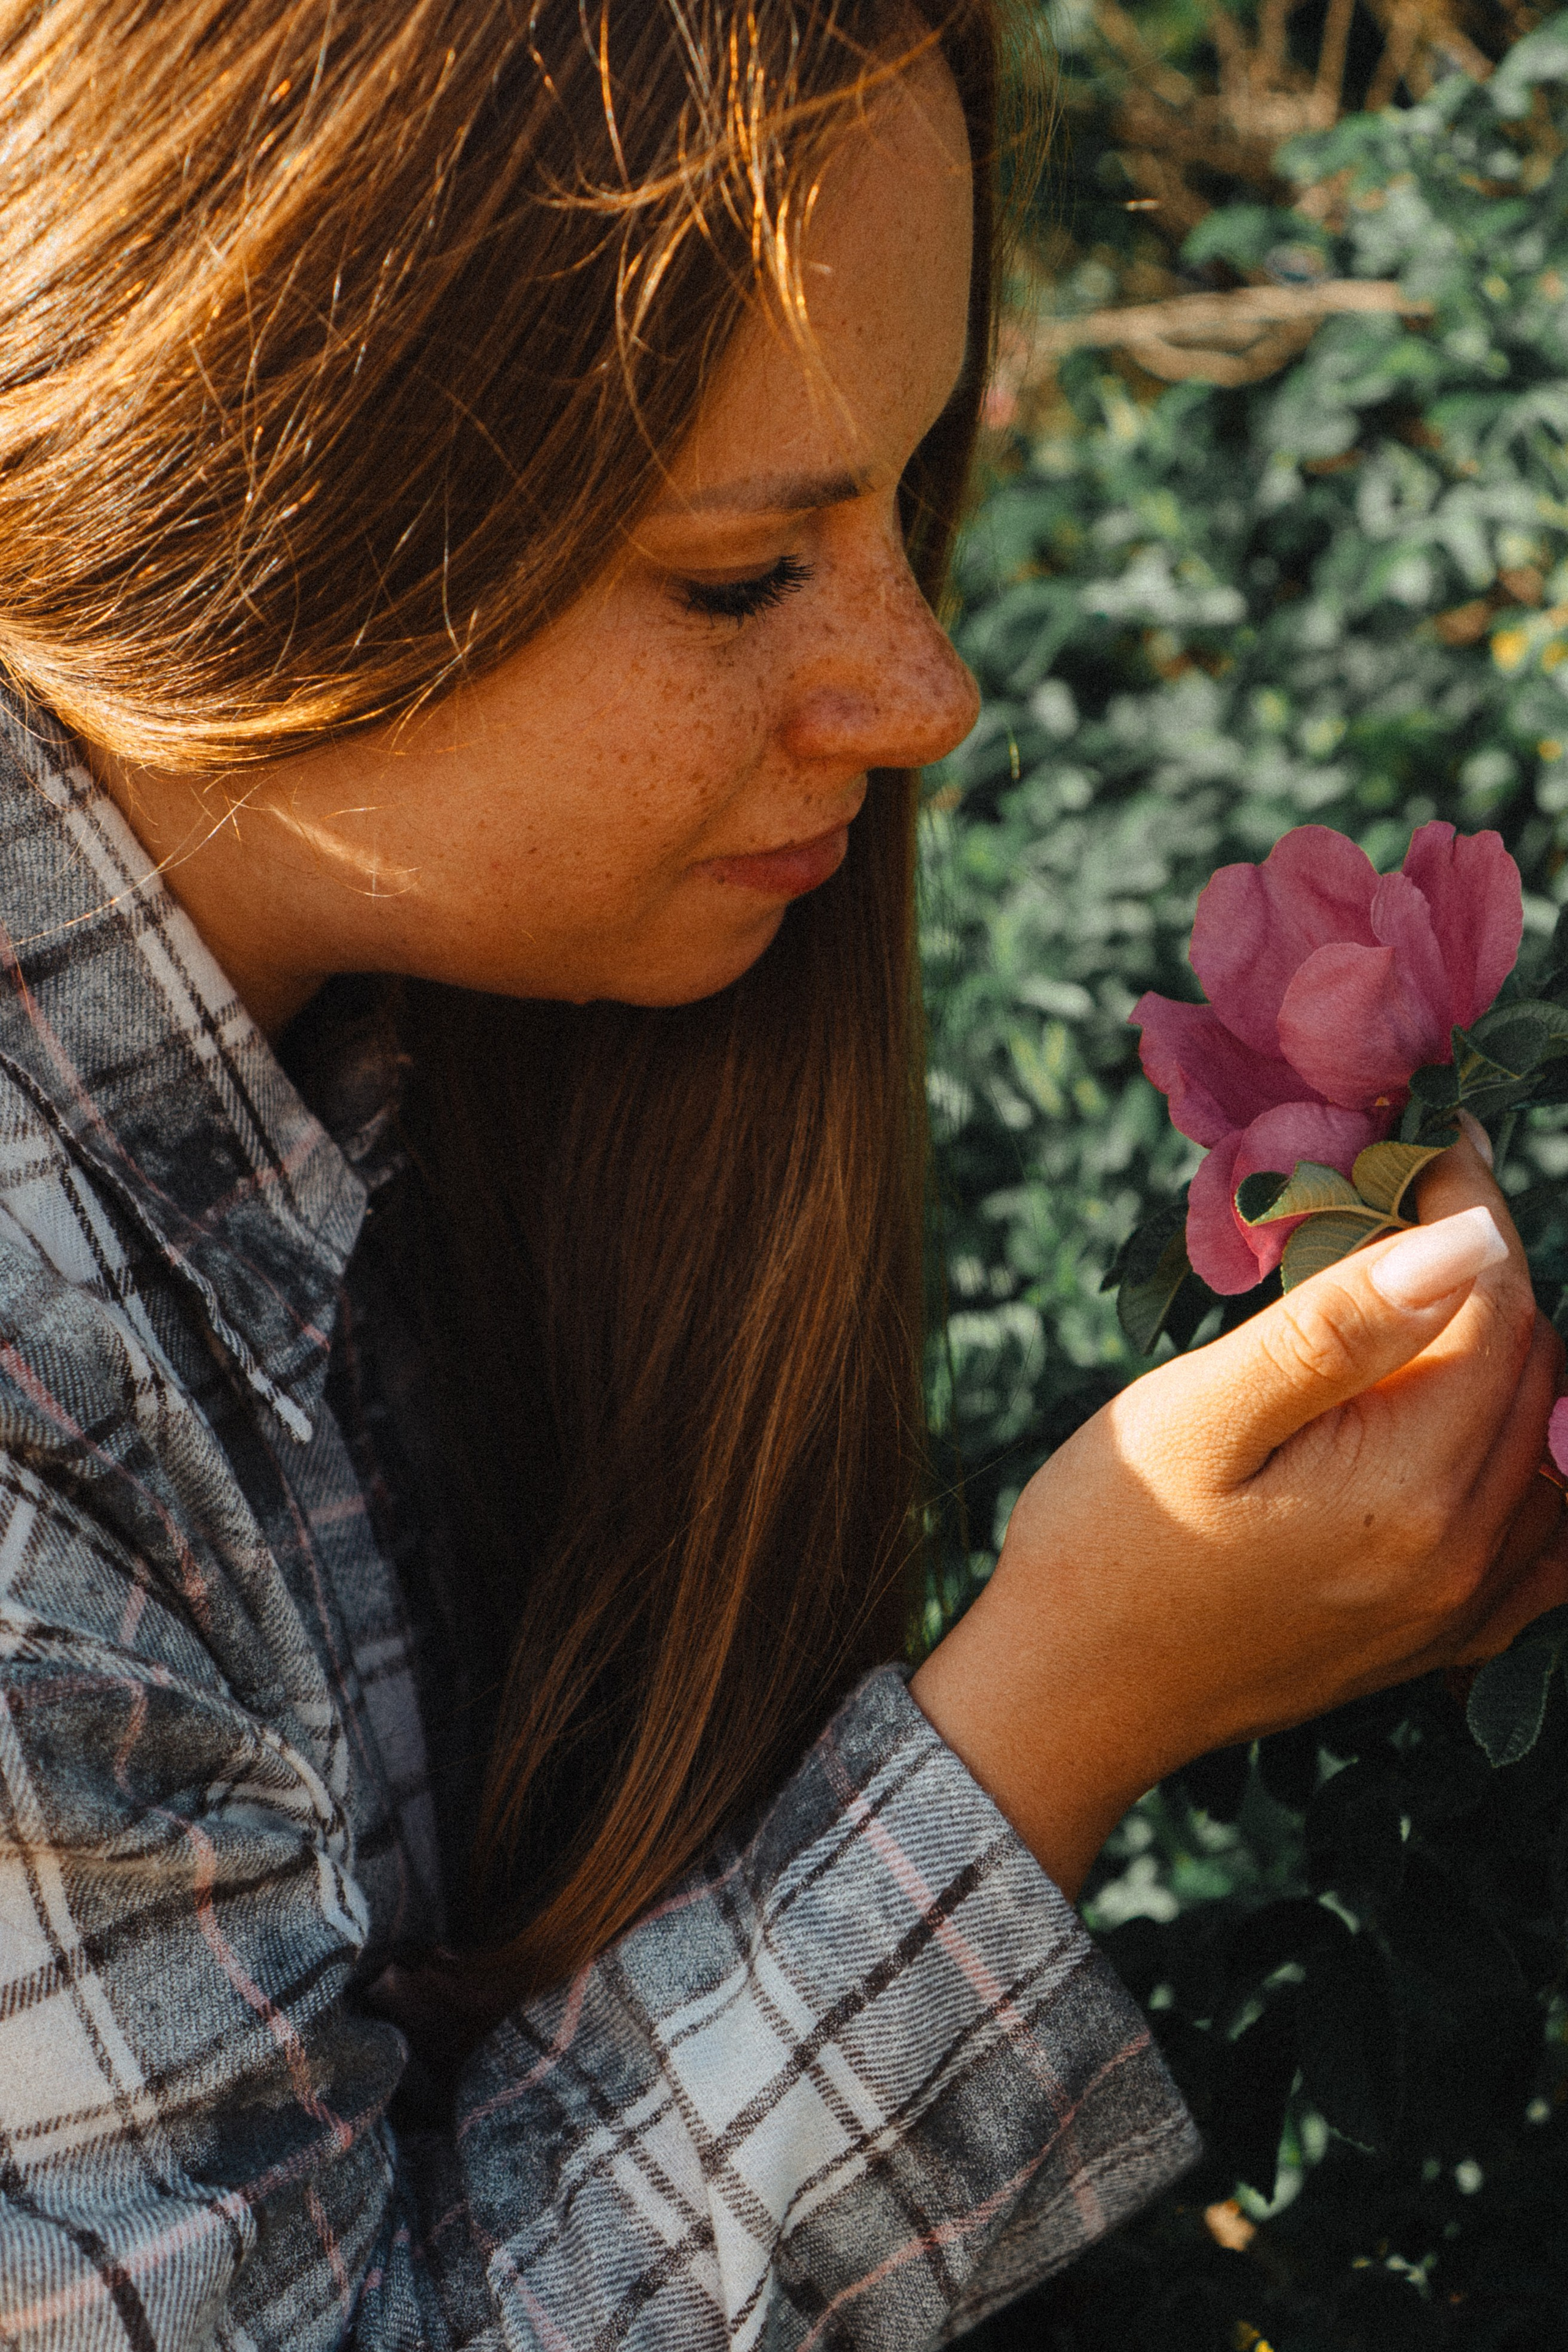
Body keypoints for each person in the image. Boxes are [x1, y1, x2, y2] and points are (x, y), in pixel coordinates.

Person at [0, 2, 1562, 2345]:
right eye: (743, 576)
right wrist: (1069, 1698)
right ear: (234, 503)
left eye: (907, 491)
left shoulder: (421, 1047)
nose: (927, 689)